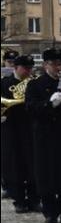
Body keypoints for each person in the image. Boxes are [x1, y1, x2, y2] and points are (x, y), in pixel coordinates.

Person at [24, 48, 61, 223]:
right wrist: (50, 104)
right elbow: (30, 109)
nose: (58, 67)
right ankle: (50, 213)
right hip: (46, 136)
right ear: (46, 65)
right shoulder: (36, 84)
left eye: (60, 64)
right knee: (47, 174)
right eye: (55, 64)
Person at [1, 54, 40, 214]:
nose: (28, 71)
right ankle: (19, 201)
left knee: (33, 164)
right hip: (10, 127)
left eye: (30, 68)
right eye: (25, 68)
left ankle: (34, 200)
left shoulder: (34, 82)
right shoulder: (4, 83)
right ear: (16, 68)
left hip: (30, 127)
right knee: (14, 165)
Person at [1, 49, 20, 199]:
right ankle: (6, 184)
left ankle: (13, 184)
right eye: (9, 62)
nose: (11, 65)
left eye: (14, 63)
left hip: (15, 120)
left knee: (13, 153)